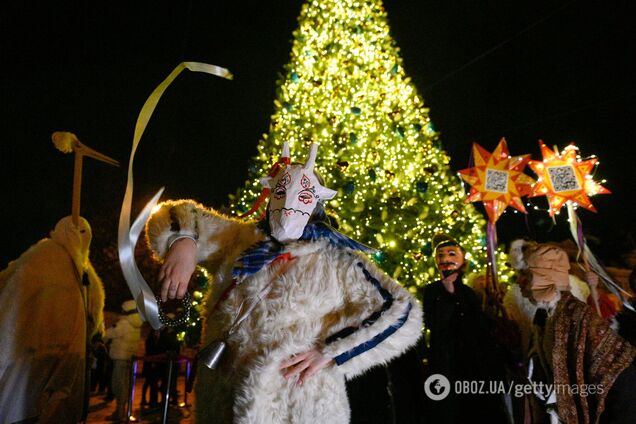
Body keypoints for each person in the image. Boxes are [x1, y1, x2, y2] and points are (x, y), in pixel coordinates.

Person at [145, 143, 423, 423]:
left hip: (300, 405)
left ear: (316, 203)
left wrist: (333, 351)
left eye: (303, 196)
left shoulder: (337, 261)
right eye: (280, 192)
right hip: (223, 399)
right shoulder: (239, 241)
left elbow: (402, 311)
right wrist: (184, 243)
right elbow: (178, 214)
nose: (289, 203)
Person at [515, 243, 636, 423]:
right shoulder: (544, 318)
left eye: (527, 275)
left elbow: (620, 376)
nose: (519, 282)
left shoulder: (577, 317)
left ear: (546, 277)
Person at [0, 216, 105, 423]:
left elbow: (90, 313)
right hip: (33, 355)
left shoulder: (84, 271)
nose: (81, 237)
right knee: (28, 406)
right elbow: (15, 297)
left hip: (70, 355)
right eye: (77, 232)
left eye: (85, 233)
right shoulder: (43, 256)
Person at [422, 233, 507, 423]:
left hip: (473, 363)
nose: (445, 259)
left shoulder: (469, 293)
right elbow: (434, 324)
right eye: (440, 255)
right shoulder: (432, 291)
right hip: (446, 363)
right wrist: (448, 296)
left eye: (452, 254)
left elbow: (478, 326)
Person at [104, 299, 143, 422]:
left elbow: (108, 334)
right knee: (126, 385)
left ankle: (119, 412)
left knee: (117, 384)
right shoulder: (137, 324)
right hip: (129, 359)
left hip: (120, 359)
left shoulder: (124, 323)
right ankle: (124, 410)